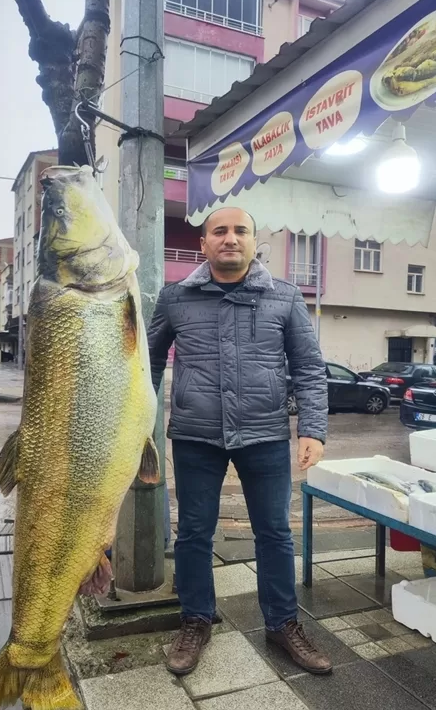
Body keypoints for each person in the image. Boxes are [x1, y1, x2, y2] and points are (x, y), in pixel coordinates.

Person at [147, 206, 330, 676]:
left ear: (253, 241)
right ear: (203, 244)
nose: (230, 238)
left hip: (265, 435)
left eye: (240, 231)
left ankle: (283, 623)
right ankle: (196, 620)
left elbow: (309, 369)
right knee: (192, 534)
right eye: (219, 231)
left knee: (274, 533)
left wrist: (311, 428)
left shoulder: (284, 299)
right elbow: (144, 366)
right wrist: (134, 429)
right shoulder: (175, 299)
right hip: (195, 436)